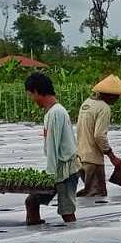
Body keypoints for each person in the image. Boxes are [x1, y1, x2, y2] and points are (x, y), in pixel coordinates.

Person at [24, 73, 81, 225]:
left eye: (31, 95)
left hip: (65, 170)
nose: (32, 99)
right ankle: (35, 231)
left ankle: (76, 237)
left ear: (37, 91)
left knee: (67, 210)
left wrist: (49, 176)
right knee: (32, 201)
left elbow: (52, 147)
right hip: (59, 169)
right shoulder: (55, 111)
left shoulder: (55, 113)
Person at [75, 75, 121, 197]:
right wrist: (111, 156)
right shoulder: (104, 108)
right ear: (109, 95)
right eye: (116, 96)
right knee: (97, 197)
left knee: (88, 193)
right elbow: (99, 135)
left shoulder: (86, 104)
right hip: (93, 160)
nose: (117, 99)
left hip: (80, 158)